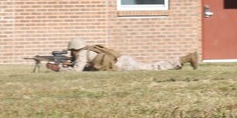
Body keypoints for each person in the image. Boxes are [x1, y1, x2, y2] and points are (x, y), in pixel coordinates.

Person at [50, 37, 199, 72]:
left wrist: (58, 68)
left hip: (122, 64)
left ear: (75, 49)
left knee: (152, 68)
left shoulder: (82, 54)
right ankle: (181, 61)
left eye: (72, 51)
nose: (71, 53)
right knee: (151, 66)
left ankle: (184, 59)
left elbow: (77, 71)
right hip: (122, 59)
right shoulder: (88, 49)